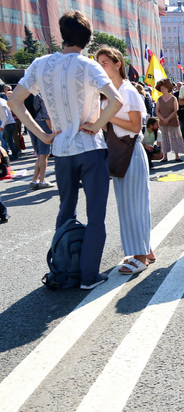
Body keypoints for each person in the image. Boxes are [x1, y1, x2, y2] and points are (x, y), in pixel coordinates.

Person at [8, 10, 123, 290]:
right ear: (87, 38)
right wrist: (96, 125)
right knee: (96, 214)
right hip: (90, 148)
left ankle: (63, 270)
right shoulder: (88, 65)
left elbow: (15, 102)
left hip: (60, 149)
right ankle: (87, 276)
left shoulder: (40, 64)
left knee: (66, 210)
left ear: (62, 34)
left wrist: (42, 135)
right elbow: (116, 100)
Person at [96, 47, 155, 274]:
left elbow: (134, 126)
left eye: (105, 62)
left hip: (130, 150)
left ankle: (140, 257)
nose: (101, 66)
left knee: (135, 205)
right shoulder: (109, 92)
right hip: (119, 151)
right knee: (128, 204)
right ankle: (145, 250)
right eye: (99, 62)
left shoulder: (127, 91)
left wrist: (109, 117)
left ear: (117, 64)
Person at [28, 93, 54, 190]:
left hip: (31, 123)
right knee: (44, 154)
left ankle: (34, 180)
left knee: (40, 154)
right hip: (42, 122)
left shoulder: (26, 92)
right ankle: (42, 180)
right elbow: (46, 113)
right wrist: (50, 129)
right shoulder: (40, 93)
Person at [156, 78, 184, 163]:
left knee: (175, 137)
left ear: (168, 88)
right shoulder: (159, 99)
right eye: (161, 88)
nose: (162, 89)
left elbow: (175, 110)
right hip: (162, 121)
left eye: (163, 88)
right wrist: (163, 119)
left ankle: (177, 156)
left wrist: (168, 118)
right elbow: (157, 111)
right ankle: (165, 157)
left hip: (172, 121)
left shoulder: (173, 98)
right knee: (164, 138)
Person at [0, 93, 18, 160]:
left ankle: (15, 155)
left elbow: (6, 117)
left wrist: (2, 127)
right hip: (9, 123)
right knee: (6, 138)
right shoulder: (3, 101)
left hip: (9, 124)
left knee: (9, 140)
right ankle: (15, 152)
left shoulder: (1, 104)